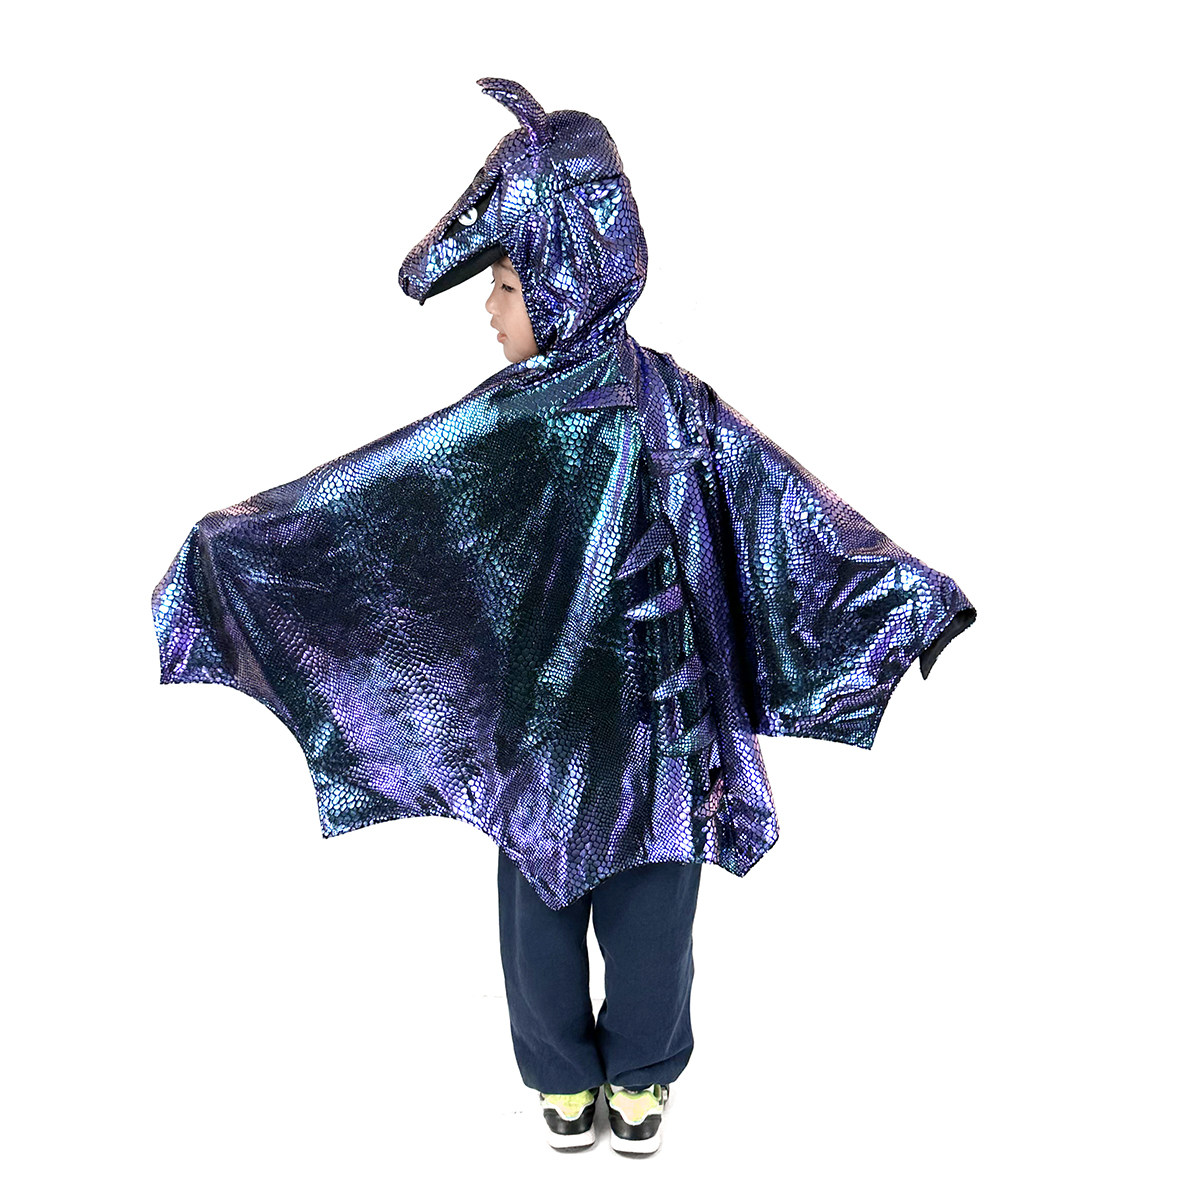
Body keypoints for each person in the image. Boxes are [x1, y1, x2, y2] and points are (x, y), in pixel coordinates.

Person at [152, 78, 974, 1159]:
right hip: (562, 734)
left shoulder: (668, 407)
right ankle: (577, 1078)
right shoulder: (519, 421)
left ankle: (628, 1077)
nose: (491, 310)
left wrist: (899, 590)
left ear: (561, 274)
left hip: (649, 727)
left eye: (505, 284)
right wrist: (243, 544)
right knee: (555, 908)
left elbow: (782, 502)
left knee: (636, 913)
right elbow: (372, 501)